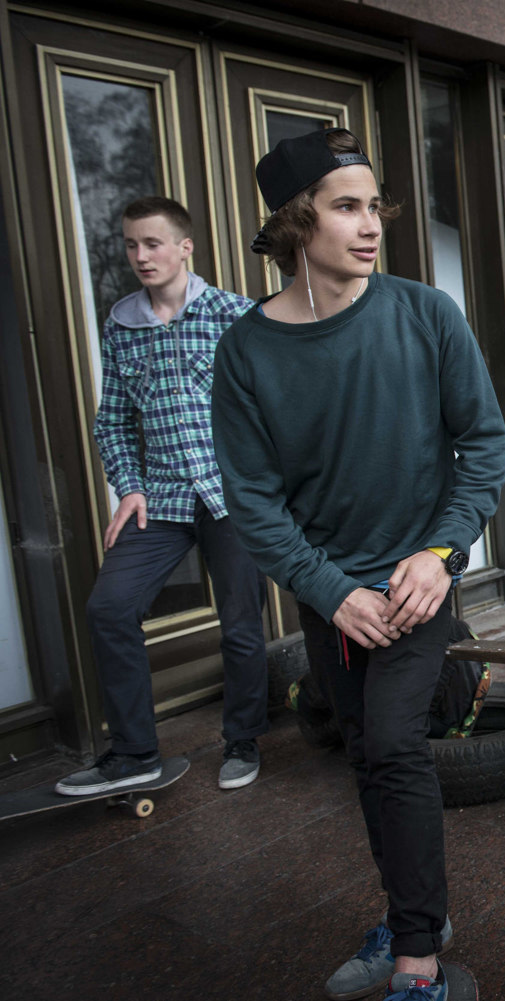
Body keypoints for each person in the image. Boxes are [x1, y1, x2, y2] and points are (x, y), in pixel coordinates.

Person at [211, 128, 505, 1001]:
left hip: (419, 582)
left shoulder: (425, 314)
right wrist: (330, 591)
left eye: (374, 205)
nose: (371, 223)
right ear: (298, 222)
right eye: (348, 206)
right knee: (367, 754)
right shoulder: (247, 351)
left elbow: (483, 448)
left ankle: (419, 964)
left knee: (392, 745)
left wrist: (442, 554)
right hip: (332, 596)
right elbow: (255, 503)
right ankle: (417, 913)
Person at [57, 196, 268, 797]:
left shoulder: (236, 314)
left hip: (231, 495)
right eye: (130, 245)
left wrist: (266, 483)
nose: (141, 256)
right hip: (163, 499)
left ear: (185, 246)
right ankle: (134, 753)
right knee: (110, 608)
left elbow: (275, 409)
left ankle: (244, 738)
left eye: (152, 243)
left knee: (240, 625)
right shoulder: (120, 325)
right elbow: (114, 422)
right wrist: (128, 488)